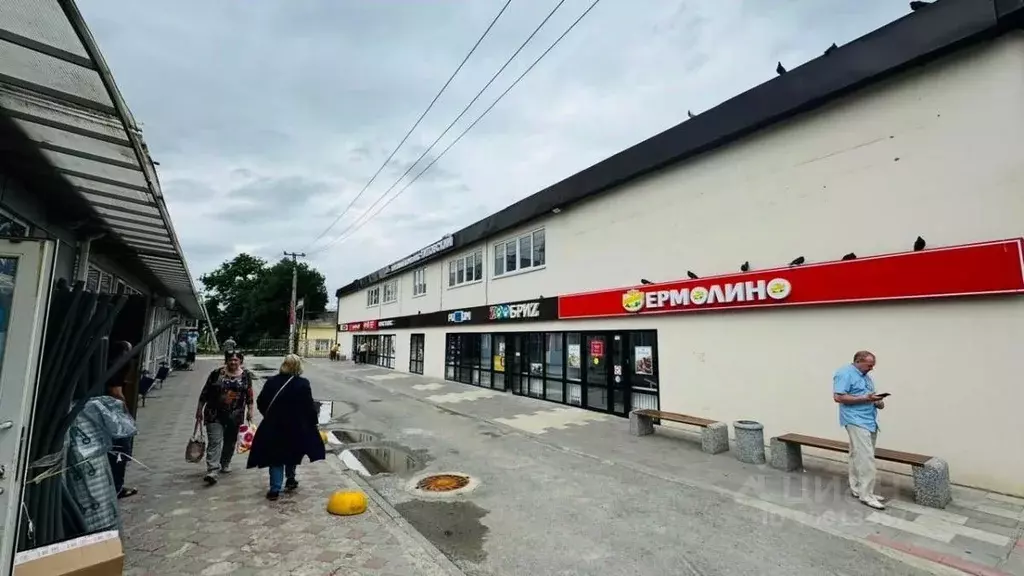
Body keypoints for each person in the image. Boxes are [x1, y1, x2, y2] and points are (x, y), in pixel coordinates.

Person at [247, 354, 325, 500]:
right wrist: (312, 422)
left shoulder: (272, 381)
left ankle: (275, 489)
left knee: (275, 457)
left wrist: (269, 416)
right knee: (292, 453)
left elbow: (261, 401)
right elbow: (308, 406)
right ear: (298, 366)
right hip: (295, 426)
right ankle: (290, 479)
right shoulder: (302, 384)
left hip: (273, 425)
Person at [832, 350, 887, 510]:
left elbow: (868, 395)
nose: (871, 369)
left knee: (857, 455)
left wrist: (877, 402)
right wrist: (866, 398)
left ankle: (858, 489)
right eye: (869, 365)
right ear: (858, 361)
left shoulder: (866, 377)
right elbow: (838, 397)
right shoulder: (844, 373)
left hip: (869, 420)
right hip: (855, 420)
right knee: (866, 457)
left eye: (873, 366)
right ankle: (867, 495)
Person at [196, 351, 255, 485]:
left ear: (240, 361)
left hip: (236, 415)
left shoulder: (246, 375)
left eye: (236, 360)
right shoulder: (216, 374)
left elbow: (249, 394)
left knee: (230, 441)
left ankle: (225, 462)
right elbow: (205, 393)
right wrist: (199, 410)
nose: (233, 362)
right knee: (215, 441)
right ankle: (212, 470)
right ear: (226, 361)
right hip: (214, 413)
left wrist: (250, 410)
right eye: (230, 359)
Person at [106, 340, 138, 499]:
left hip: (102, 414)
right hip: (113, 416)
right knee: (121, 450)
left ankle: (112, 485)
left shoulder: (107, 364)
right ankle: (116, 487)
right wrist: (126, 413)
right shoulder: (117, 367)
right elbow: (116, 393)